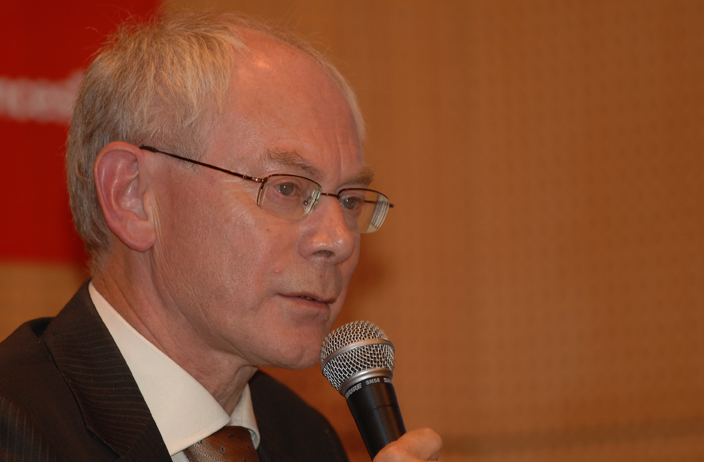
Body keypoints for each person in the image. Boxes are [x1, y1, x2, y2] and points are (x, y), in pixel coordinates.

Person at [0, 10, 442, 462]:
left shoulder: (307, 439)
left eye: (349, 200)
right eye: (287, 188)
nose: (339, 240)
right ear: (132, 196)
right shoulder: (15, 431)